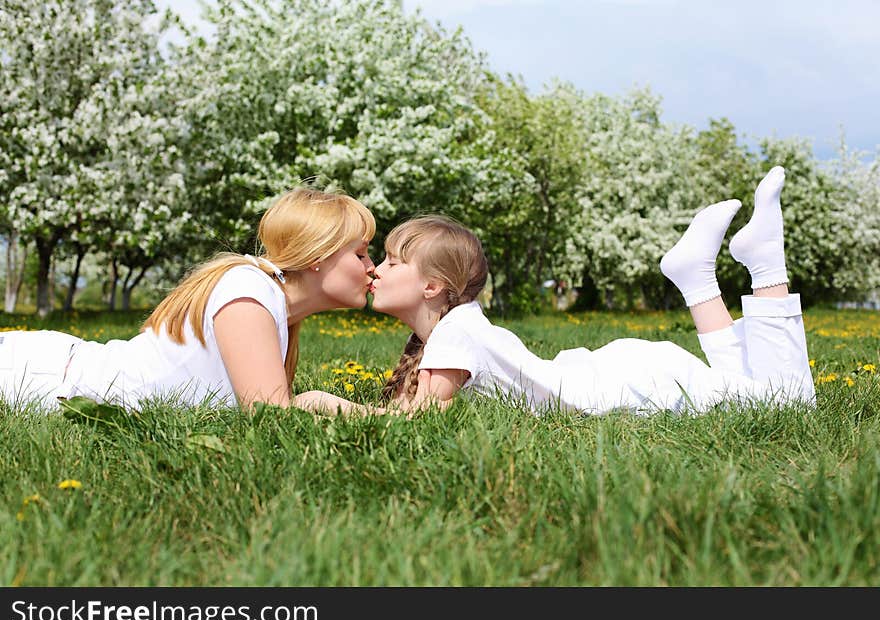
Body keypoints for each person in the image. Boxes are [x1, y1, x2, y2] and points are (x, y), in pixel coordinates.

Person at [294, 166, 815, 416]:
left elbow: (413, 422)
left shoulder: (454, 333)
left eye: (390, 260)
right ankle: (704, 278)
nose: (376, 271)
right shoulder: (453, 328)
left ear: (432, 286)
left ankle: (765, 264)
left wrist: (323, 402)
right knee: (757, 393)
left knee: (787, 405)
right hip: (618, 375)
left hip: (630, 389)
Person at [0, 187, 376, 410]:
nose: (372, 267)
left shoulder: (270, 305)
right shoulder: (250, 292)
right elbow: (269, 415)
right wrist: (321, 401)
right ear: (317, 257)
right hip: (37, 377)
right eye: (360, 254)